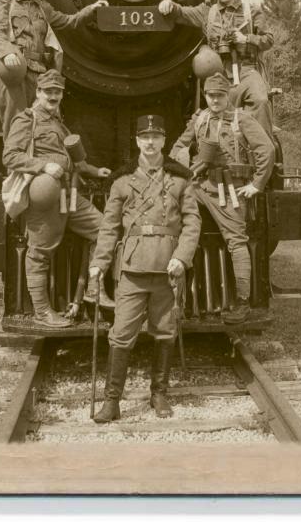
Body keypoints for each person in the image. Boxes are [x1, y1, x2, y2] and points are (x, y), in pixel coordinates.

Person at [88, 115, 201, 422]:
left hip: (168, 266)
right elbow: (109, 227)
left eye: (156, 137)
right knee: (121, 333)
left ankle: (159, 394)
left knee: (165, 331)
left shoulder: (180, 179)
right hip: (132, 269)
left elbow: (192, 222)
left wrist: (182, 257)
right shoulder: (122, 182)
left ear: (164, 141)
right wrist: (99, 263)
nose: (150, 143)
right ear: (137, 141)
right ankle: (112, 401)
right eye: (145, 137)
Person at [2, 69, 111, 328]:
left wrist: (95, 171)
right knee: (39, 252)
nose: (53, 96)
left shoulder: (58, 123)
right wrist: (42, 165)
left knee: (106, 230)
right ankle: (42, 312)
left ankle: (94, 289)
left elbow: (73, 161)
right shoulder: (27, 119)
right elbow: (10, 156)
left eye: (57, 92)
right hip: (47, 196)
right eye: (48, 91)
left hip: (69, 195)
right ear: (38, 92)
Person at [169, 73, 275, 324]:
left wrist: (256, 184)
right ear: (205, 96)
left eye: (219, 95)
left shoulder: (242, 119)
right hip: (200, 187)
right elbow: (178, 147)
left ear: (227, 95)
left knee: (236, 242)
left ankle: (242, 302)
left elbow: (267, 149)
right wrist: (183, 166)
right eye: (210, 95)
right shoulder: (200, 118)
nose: (215, 100)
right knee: (172, 226)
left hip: (229, 192)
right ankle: (176, 300)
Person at [0, 0, 108, 137]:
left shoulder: (41, 7)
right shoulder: (4, 3)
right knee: (16, 126)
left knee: (42, 124)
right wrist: (7, 53)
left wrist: (90, 10)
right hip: (15, 71)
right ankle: (15, 157)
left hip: (39, 73)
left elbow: (68, 22)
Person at [158, 0, 275, 136]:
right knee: (220, 117)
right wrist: (169, 4)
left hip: (247, 70)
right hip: (220, 74)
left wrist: (246, 38)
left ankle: (263, 146)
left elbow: (269, 40)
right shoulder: (207, 12)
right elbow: (182, 13)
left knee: (261, 100)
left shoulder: (251, 11)